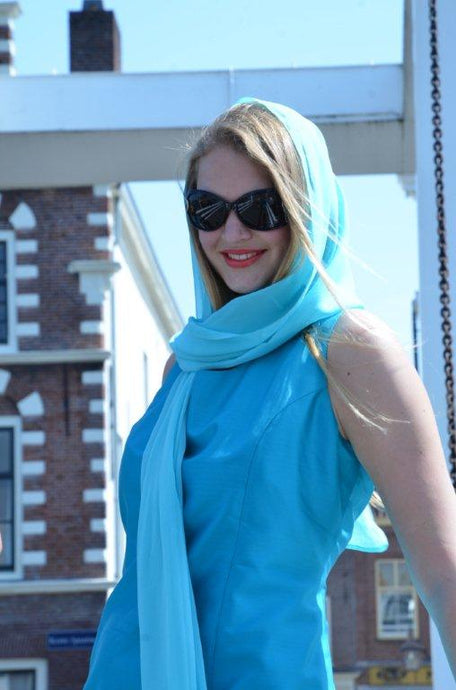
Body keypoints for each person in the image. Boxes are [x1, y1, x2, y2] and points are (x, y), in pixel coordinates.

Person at [83, 98, 456, 689]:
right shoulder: (185, 365)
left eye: (262, 207)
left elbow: (444, 572)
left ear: (308, 208)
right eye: (208, 209)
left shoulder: (350, 352)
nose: (233, 232)